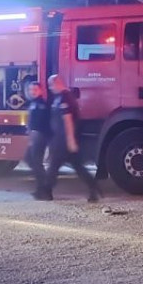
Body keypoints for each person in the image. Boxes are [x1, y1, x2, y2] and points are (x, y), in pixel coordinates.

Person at [44, 74, 101, 202]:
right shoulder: (60, 97)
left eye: (51, 85)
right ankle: (93, 188)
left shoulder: (65, 98)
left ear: (57, 83)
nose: (50, 88)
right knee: (77, 166)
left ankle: (46, 192)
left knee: (53, 166)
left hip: (63, 140)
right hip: (61, 138)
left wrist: (70, 140)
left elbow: (68, 120)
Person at [24, 80, 52, 200]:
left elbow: (43, 123)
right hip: (35, 136)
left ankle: (45, 191)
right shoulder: (34, 103)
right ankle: (42, 189)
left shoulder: (42, 104)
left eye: (35, 90)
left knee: (36, 163)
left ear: (40, 90)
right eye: (31, 90)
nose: (32, 92)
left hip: (40, 136)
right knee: (30, 160)